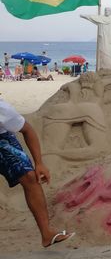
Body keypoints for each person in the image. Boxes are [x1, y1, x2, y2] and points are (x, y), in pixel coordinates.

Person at [0, 96, 75, 247]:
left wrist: (39, 163)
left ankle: (46, 234)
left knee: (30, 178)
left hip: (1, 140)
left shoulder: (3, 110)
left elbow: (28, 130)